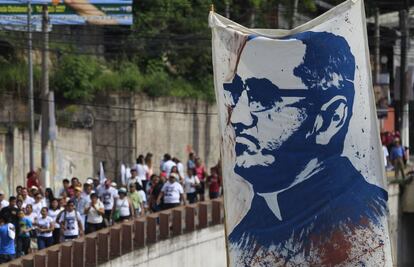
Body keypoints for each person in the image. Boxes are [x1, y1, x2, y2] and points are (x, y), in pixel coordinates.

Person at [221, 31, 388, 264]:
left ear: (330, 118)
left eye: (262, 96)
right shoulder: (241, 236)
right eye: (236, 92)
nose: (237, 117)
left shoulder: (366, 228)